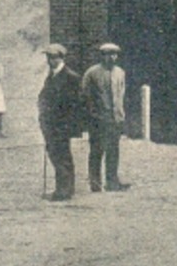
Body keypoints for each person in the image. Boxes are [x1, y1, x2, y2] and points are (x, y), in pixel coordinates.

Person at [37, 43, 83, 201]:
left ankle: (64, 191)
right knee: (56, 155)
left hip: (61, 126)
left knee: (62, 156)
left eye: (52, 57)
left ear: (61, 58)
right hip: (51, 125)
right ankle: (64, 188)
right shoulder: (52, 75)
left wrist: (67, 125)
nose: (49, 60)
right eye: (48, 57)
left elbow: (75, 105)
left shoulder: (71, 77)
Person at [81, 42, 128, 192]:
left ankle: (112, 181)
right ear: (102, 56)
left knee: (113, 151)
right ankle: (95, 183)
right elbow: (84, 96)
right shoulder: (92, 73)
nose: (112, 57)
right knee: (96, 150)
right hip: (98, 120)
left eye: (115, 54)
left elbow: (121, 94)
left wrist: (120, 115)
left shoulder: (120, 72)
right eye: (109, 54)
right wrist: (92, 114)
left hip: (115, 119)